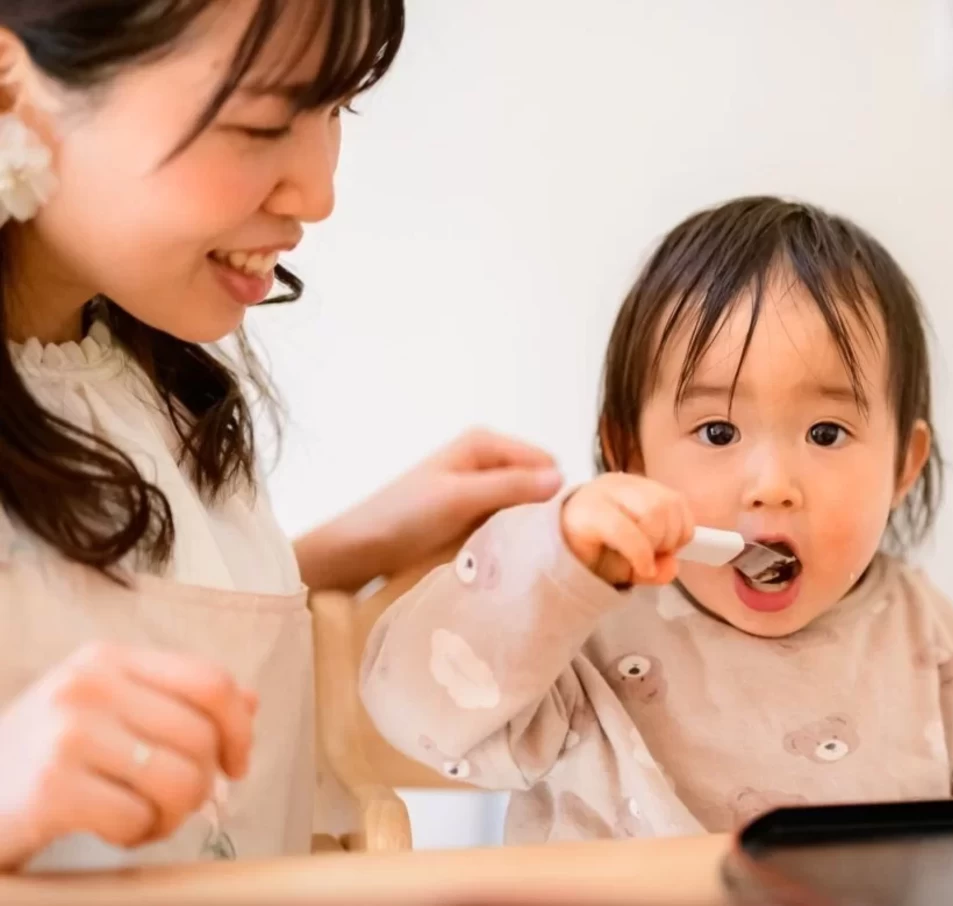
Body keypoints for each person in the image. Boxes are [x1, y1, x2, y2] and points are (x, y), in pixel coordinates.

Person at [0, 0, 561, 872]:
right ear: (10, 89)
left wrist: (344, 550)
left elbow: (79, 601)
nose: (320, 194)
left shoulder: (150, 383)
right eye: (261, 123)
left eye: (338, 107)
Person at [361, 196, 953, 843]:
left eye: (827, 434)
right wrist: (553, 561)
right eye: (717, 433)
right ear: (631, 455)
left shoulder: (928, 637)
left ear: (903, 466)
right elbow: (416, 710)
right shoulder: (579, 627)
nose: (774, 486)